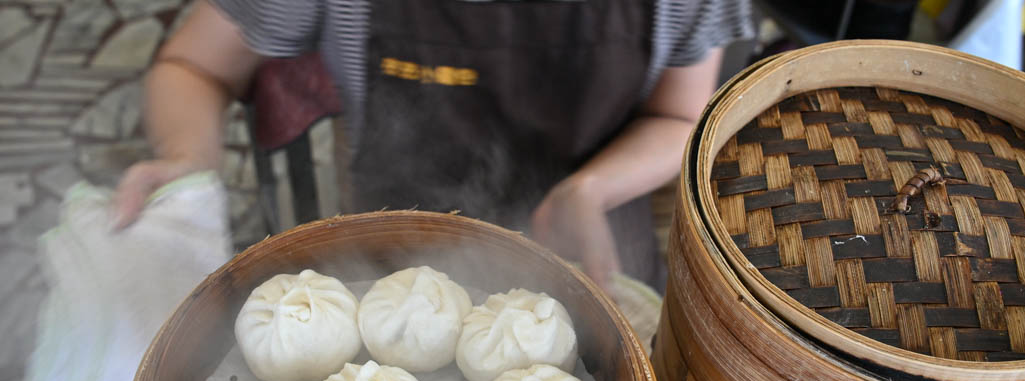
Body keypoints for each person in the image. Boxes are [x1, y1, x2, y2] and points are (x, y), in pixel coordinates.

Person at [114, 0, 754, 292]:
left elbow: (681, 115)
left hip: (593, 264)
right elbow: (196, 66)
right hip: (390, 270)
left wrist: (589, 188)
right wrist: (185, 161)